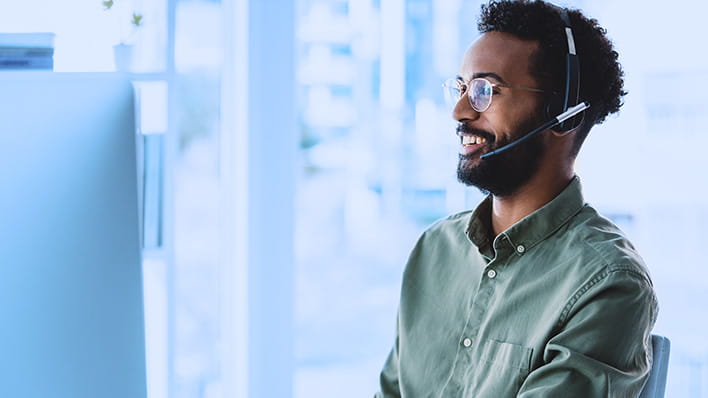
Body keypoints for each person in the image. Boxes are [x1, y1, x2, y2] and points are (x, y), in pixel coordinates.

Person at [375, 1, 658, 397]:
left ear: (564, 113)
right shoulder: (434, 250)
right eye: (461, 88)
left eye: (484, 91)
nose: (459, 111)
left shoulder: (609, 282)